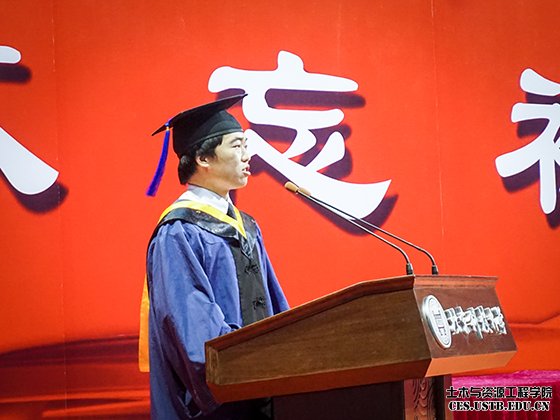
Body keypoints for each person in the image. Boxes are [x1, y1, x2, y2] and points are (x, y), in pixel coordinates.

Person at [141, 94, 289, 419]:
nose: (247, 155)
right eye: (236, 146)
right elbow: (190, 325)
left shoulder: (247, 226)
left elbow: (274, 305)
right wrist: (242, 366)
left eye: (245, 145)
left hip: (261, 387)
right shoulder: (179, 231)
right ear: (203, 158)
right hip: (221, 398)